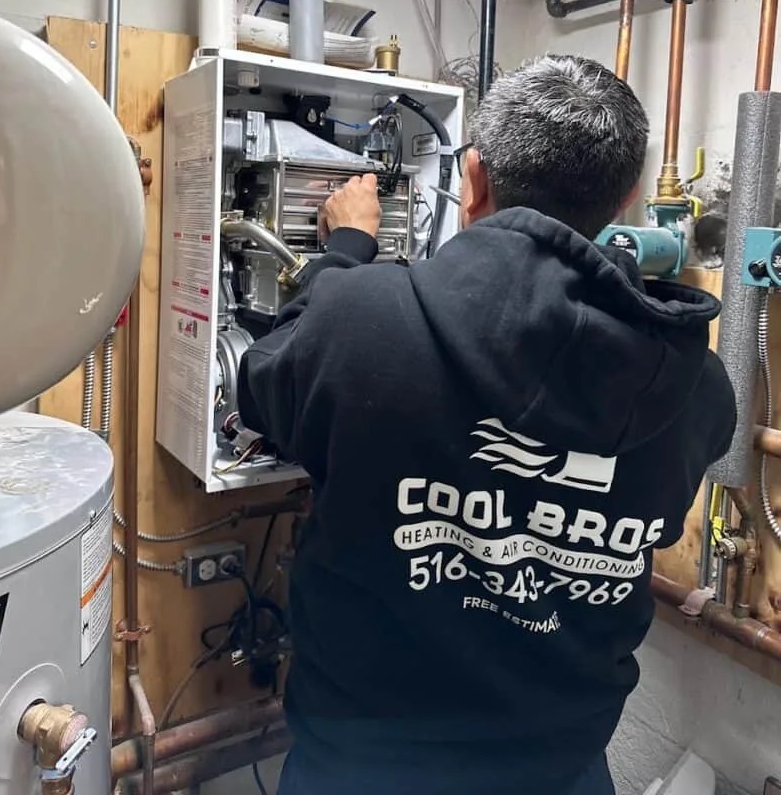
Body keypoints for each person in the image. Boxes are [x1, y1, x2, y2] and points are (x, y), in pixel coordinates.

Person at [238, 54, 735, 795]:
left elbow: (261, 389)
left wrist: (344, 254)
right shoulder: (698, 388)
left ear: (471, 181)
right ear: (629, 199)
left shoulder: (361, 321)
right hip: (560, 773)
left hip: (361, 772)